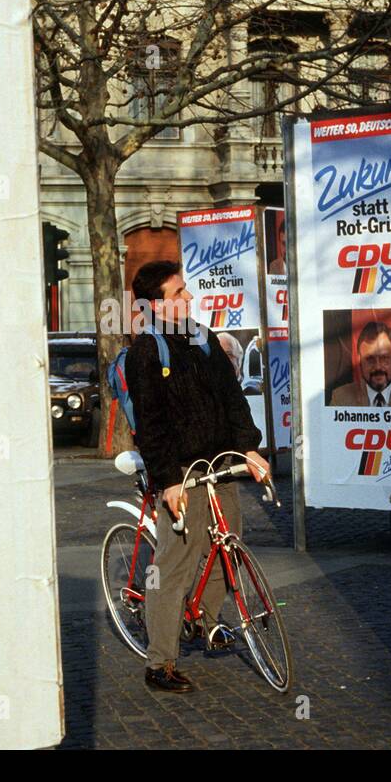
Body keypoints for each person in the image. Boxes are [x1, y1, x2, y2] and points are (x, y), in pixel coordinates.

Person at [127, 260, 269, 694]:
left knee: (228, 550)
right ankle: (160, 664)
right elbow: (151, 425)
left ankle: (207, 624)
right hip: (182, 473)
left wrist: (249, 447)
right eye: (178, 293)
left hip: (220, 463)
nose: (189, 298)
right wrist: (168, 480)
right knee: (173, 566)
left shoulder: (204, 339)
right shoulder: (147, 352)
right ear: (157, 305)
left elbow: (232, 398)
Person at [331, 320, 391, 408]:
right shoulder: (340, 399)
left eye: (384, 358)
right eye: (370, 359)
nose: (377, 366)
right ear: (359, 360)